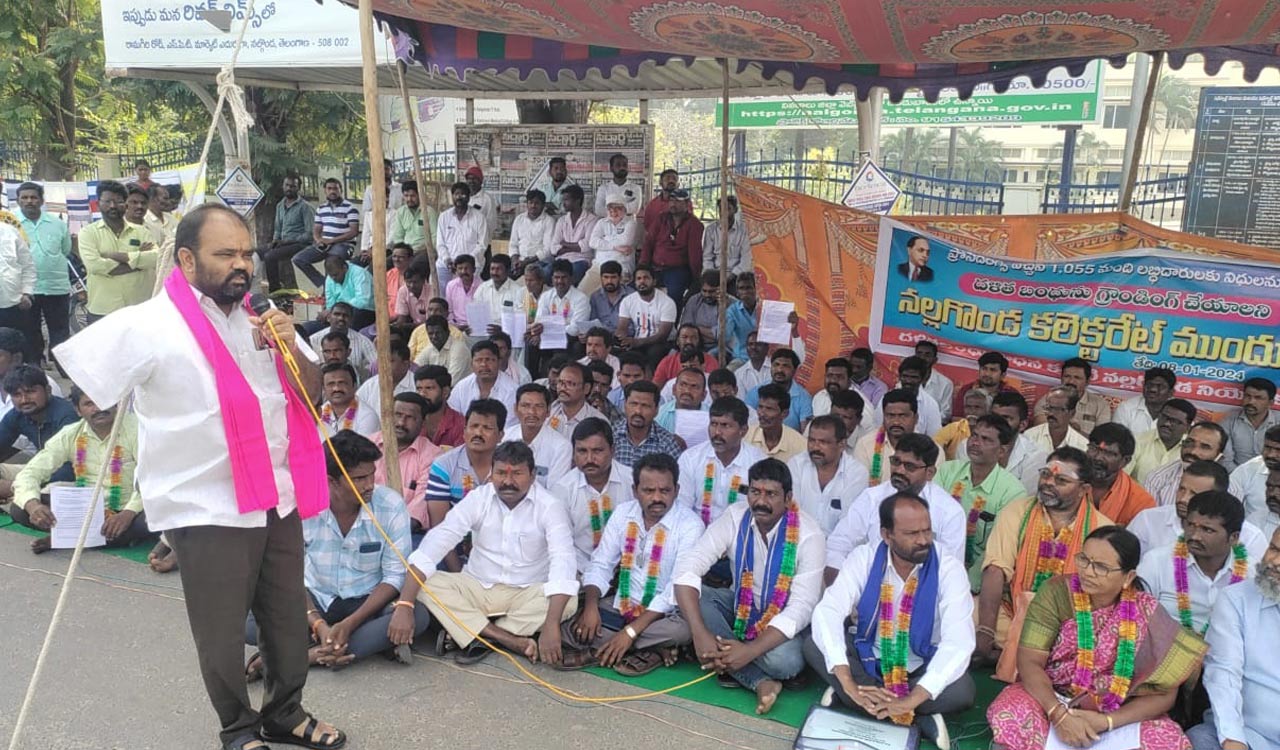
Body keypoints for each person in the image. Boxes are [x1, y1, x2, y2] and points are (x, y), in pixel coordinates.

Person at [54, 203, 346, 750]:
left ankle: (286, 713)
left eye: (247, 254)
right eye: (226, 254)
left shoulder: (263, 317)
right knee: (221, 631)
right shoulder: (150, 324)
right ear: (186, 259)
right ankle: (238, 729)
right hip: (206, 505)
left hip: (277, 498)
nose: (242, 265)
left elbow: (313, 395)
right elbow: (86, 383)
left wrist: (287, 343)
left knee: (286, 618)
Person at [987, 527, 1206, 750]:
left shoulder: (1147, 612)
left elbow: (1164, 694)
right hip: (1052, 700)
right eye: (1084, 560)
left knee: (1168, 740)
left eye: (1101, 567)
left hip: (1118, 713)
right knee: (1012, 712)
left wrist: (1107, 722)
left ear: (1128, 577)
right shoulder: (1056, 593)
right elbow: (1030, 662)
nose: (1088, 572)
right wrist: (1059, 716)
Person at [245, 430, 429, 674]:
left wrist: (349, 624)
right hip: (313, 600)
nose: (370, 485)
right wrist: (318, 623)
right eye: (360, 478)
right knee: (249, 618)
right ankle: (342, 646)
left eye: (372, 475)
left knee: (417, 614)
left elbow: (394, 576)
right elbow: (286, 573)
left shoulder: (390, 505)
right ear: (332, 480)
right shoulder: (301, 504)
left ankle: (299, 656)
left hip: (366, 603)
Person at [808, 493, 976, 744]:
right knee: (812, 646)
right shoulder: (864, 558)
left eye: (927, 531)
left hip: (921, 664)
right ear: (887, 535)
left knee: (963, 690)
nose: (923, 540)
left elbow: (959, 640)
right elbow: (829, 610)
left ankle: (856, 701)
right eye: (912, 534)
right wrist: (846, 678)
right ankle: (915, 716)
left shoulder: (948, 568)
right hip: (869, 658)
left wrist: (913, 697)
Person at [398, 440, 579, 665]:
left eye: (518, 474)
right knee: (423, 582)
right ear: (492, 473)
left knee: (568, 599)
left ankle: (474, 633)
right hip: (477, 587)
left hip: (526, 592)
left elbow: (563, 560)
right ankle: (506, 638)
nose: (508, 481)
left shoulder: (550, 506)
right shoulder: (478, 498)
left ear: (533, 476)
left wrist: (551, 626)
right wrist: (405, 604)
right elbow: (439, 539)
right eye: (501, 473)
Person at [673, 458, 826, 714]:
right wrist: (700, 635)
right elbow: (688, 567)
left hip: (785, 626)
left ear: (788, 498)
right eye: (755, 492)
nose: (761, 502)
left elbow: (802, 608)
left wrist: (751, 650)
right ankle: (759, 680)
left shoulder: (809, 535)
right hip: (741, 609)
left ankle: (736, 661)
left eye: (771, 494)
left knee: (784, 661)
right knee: (696, 598)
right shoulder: (734, 517)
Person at [559, 452, 702, 674]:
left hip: (664, 615)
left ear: (677, 490)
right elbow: (601, 563)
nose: (657, 498)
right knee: (570, 627)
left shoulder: (690, 526)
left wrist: (631, 633)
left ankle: (605, 649)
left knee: (682, 631)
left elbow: (675, 589)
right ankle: (653, 651)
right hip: (621, 605)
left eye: (665, 491)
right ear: (635, 490)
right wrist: (590, 607)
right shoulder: (623, 513)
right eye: (648, 490)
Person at [974, 447, 1111, 670]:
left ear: (1083, 490)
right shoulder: (1016, 511)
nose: (1048, 483)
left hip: (1069, 623)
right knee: (969, 613)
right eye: (1045, 474)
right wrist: (986, 631)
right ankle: (1038, 658)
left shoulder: (1102, 529)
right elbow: (995, 570)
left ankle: (1011, 655)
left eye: (1061, 480)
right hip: (1012, 612)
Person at [10, 386, 149, 554]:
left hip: (129, 509)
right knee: (20, 509)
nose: (98, 408)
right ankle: (98, 538)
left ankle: (68, 539)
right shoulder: (71, 434)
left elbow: (150, 477)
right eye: (89, 404)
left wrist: (128, 513)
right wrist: (33, 506)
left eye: (102, 401)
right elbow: (30, 473)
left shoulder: (137, 429)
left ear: (116, 403)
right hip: (86, 509)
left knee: (148, 520)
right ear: (78, 410)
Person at [1190, 526, 1280, 750]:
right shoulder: (1236, 599)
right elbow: (1223, 673)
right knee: (1199, 739)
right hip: (1248, 734)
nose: (1275, 561)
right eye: (1274, 548)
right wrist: (1233, 740)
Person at [826, 433, 966, 576]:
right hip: (869, 583)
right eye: (896, 461)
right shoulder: (871, 498)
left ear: (929, 473)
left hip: (924, 588)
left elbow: (950, 569)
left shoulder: (949, 511)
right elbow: (839, 544)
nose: (899, 470)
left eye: (909, 466)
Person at [1138, 490, 1263, 636]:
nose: (1195, 536)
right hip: (1163, 651)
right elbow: (1134, 618)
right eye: (1191, 525)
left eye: (1207, 530)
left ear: (1233, 537)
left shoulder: (1252, 574)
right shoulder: (1157, 562)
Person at [934, 414, 1029, 589]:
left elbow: (996, 548)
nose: (975, 443)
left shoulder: (1012, 492)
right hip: (935, 564)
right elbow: (930, 520)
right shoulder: (947, 471)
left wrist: (964, 584)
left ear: (1002, 451)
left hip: (975, 579)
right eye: (974, 436)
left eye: (986, 439)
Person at [1128, 461, 1267, 555]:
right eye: (1181, 489)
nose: (1183, 499)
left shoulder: (1250, 538)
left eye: (1194, 494)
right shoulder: (1147, 520)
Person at [552, 417, 635, 571]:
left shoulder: (632, 482)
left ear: (613, 450)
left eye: (597, 451)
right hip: (579, 569)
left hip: (628, 568)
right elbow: (563, 543)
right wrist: (591, 573)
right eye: (582, 451)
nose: (589, 459)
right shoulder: (563, 489)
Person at [418, 399, 505, 542]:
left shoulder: (510, 466)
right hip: (454, 545)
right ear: (464, 431)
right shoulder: (444, 465)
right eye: (473, 426)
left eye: (487, 428)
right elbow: (439, 529)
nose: (478, 433)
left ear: (501, 435)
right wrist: (456, 565)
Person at [676, 397, 765, 526]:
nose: (717, 432)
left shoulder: (759, 463)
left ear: (743, 430)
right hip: (697, 535)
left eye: (725, 425)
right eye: (713, 424)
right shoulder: (690, 459)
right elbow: (682, 508)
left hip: (742, 537)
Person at [0, 364, 79, 506]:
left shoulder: (66, 416)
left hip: (70, 477)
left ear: (47, 390)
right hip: (37, 472)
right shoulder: (17, 415)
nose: (24, 400)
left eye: (30, 392)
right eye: (17, 395)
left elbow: (70, 469)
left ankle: (17, 496)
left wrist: (16, 486)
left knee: (49, 494)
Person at [79, 180, 157, 321]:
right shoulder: (87, 233)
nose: (113, 206)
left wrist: (116, 256)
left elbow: (155, 258)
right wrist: (139, 264)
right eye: (107, 201)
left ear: (126, 205)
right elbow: (95, 266)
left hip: (139, 307)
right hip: (103, 309)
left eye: (118, 201)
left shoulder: (141, 232)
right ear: (97, 204)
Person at [15, 182, 72, 365]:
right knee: (30, 329)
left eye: (33, 197)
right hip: (26, 289)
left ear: (41, 200)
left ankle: (63, 367)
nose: (29, 201)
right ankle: (35, 365)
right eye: (24, 197)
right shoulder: (10, 224)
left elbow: (65, 249)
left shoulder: (57, 223)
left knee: (60, 330)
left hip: (56, 286)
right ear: (18, 201)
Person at [786, 415, 868, 534]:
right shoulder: (796, 465)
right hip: (799, 541)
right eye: (812, 440)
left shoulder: (857, 473)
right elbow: (793, 513)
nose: (815, 447)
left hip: (839, 547)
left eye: (823, 442)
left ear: (842, 444)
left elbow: (848, 526)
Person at [957, 391, 1048, 494]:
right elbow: (962, 488)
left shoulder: (1036, 455)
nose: (997, 423)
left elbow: (1024, 498)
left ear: (1022, 425)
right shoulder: (968, 446)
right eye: (994, 416)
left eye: (1006, 418)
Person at [370, 392, 442, 517]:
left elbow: (420, 503)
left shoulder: (432, 455)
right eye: (397, 415)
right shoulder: (368, 444)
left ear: (423, 422)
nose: (401, 423)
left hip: (408, 529)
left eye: (410, 417)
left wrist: (395, 528)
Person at [853, 389, 944, 485]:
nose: (896, 422)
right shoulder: (865, 445)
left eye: (903, 416)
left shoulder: (932, 450)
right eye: (890, 416)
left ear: (916, 418)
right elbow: (860, 486)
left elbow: (931, 490)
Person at [1143, 420, 1229, 509]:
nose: (1193, 451)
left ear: (1219, 457)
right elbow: (1149, 519)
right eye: (1190, 442)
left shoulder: (1231, 489)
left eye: (1204, 447)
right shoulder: (1157, 478)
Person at [293, 177, 359, 289]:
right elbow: (316, 229)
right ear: (325, 191)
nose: (332, 191)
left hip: (344, 245)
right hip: (326, 244)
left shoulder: (350, 208)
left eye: (335, 189)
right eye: (329, 188)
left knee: (331, 261)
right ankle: (325, 283)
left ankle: (329, 291)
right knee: (299, 259)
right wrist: (319, 240)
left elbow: (354, 232)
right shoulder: (321, 209)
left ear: (341, 190)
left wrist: (332, 240)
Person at [503, 383, 572, 488]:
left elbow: (555, 492)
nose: (532, 412)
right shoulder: (504, 438)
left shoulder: (561, 447)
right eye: (525, 406)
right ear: (516, 409)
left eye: (539, 406)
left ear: (548, 411)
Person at [642, 189, 703, 305]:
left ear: (687, 204)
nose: (673, 204)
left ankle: (672, 322)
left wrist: (696, 277)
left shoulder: (694, 224)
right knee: (636, 287)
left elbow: (694, 253)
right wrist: (643, 265)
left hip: (677, 269)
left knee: (674, 295)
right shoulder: (661, 218)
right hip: (655, 267)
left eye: (678, 201)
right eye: (671, 200)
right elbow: (648, 242)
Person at [1088, 422, 1156, 526]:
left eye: (1108, 453)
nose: (1098, 457)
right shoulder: (1069, 480)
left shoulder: (1141, 502)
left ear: (1125, 461)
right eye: (1094, 448)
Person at [616, 264, 677, 372]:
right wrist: (621, 339)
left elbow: (662, 335)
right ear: (634, 282)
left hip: (661, 343)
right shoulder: (628, 300)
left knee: (654, 352)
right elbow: (622, 327)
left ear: (654, 281)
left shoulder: (667, 302)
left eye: (646, 278)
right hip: (637, 342)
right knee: (622, 354)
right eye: (638, 279)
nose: (642, 281)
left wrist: (637, 342)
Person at [1033, 357, 1112, 436]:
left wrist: (1070, 431)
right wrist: (1072, 430)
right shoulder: (1049, 398)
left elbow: (1101, 438)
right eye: (1067, 376)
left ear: (1087, 382)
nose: (1071, 381)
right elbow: (1040, 426)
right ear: (1061, 378)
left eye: (1077, 378)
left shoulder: (1101, 405)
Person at [262, 174, 316, 291]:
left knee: (270, 256)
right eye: (287, 185)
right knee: (257, 253)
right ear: (283, 186)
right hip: (283, 243)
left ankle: (275, 290)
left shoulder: (305, 207)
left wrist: (288, 241)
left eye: (293, 186)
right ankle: (251, 290)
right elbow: (277, 228)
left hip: (301, 244)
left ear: (298, 188)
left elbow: (310, 234)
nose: (289, 188)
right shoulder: (280, 206)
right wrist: (275, 241)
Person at [448, 341, 518, 427]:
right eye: (478, 360)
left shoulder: (512, 390)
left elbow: (508, 427)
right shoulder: (461, 387)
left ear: (498, 362)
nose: (484, 365)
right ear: (471, 364)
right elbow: (453, 419)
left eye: (488, 360)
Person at [613, 381, 683, 467]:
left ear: (656, 410)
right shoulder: (611, 436)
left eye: (645, 406)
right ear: (625, 405)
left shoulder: (667, 443)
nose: (638, 411)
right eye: (633, 404)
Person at [1129, 398, 1197, 484]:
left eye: (1174, 421)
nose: (1166, 424)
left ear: (1188, 427)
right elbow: (1121, 478)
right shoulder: (1137, 441)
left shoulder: (1192, 452)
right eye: (1164, 417)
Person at [745, 348, 812, 432]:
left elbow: (805, 432)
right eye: (776, 364)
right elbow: (746, 423)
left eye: (785, 366)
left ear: (795, 370)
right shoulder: (756, 392)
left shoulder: (804, 397)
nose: (779, 370)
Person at [435, 182, 487, 289]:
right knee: (444, 300)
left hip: (471, 265)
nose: (459, 197)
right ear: (452, 196)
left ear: (468, 198)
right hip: (447, 265)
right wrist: (448, 260)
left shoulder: (479, 217)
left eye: (463, 194)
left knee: (470, 298)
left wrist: (466, 263)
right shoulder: (444, 217)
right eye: (456, 194)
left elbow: (482, 245)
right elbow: (440, 244)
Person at [532, 259, 591, 354]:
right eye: (556, 277)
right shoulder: (546, 296)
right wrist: (541, 331)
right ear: (551, 279)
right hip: (548, 336)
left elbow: (575, 329)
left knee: (567, 343)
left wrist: (551, 329)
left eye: (564, 277)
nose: (560, 281)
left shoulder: (581, 299)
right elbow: (540, 321)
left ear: (572, 278)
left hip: (569, 338)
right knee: (531, 342)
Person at [1221, 377, 1280, 471]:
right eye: (1247, 396)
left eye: (1258, 398)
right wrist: (1241, 478)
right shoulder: (1229, 420)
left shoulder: (1278, 422)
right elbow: (1226, 460)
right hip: (1236, 476)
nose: (1251, 402)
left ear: (1270, 403)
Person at [875, 355, 943, 436]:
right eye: (905, 376)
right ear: (899, 376)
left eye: (914, 377)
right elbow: (877, 431)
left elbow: (934, 438)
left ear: (923, 379)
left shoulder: (930, 405)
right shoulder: (886, 399)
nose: (908, 381)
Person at [308, 302, 377, 379]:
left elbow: (376, 365)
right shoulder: (314, 339)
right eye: (337, 314)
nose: (341, 318)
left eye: (345, 315)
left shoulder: (363, 341)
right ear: (329, 318)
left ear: (351, 320)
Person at [1228, 424, 1280, 520]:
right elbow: (1227, 506)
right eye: (1267, 447)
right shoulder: (1249, 470)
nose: (1271, 455)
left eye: (1278, 450)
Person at [353, 341, 415, 420]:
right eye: (381, 360)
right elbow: (353, 408)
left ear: (405, 364)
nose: (383, 365)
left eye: (390, 361)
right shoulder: (370, 384)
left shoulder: (417, 385)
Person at [548, 185, 597, 283]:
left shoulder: (591, 219)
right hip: (561, 260)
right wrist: (576, 246)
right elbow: (553, 248)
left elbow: (587, 245)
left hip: (581, 260)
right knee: (544, 273)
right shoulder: (562, 220)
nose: (563, 204)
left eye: (566, 200)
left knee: (570, 277)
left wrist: (565, 244)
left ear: (577, 201)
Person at [746, 383, 807, 462]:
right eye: (760, 407)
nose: (762, 413)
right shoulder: (745, 437)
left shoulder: (800, 445)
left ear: (784, 413)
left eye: (769, 409)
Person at [318, 363, 380, 437]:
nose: (336, 388)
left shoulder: (367, 416)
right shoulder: (318, 413)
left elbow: (362, 448)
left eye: (342, 383)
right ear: (324, 389)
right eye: (331, 384)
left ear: (354, 386)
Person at [677, 270, 731, 356]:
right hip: (695, 343)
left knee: (711, 355)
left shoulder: (731, 304)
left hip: (721, 347)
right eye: (704, 291)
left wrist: (696, 328)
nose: (707, 295)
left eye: (711, 291)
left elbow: (722, 335)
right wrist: (710, 333)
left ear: (721, 288)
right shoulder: (694, 300)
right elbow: (686, 328)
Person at [547, 361, 606, 438]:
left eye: (570, 383)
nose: (563, 388)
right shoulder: (548, 413)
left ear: (586, 388)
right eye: (560, 382)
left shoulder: (598, 421)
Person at [950, 351, 1017, 419]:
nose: (987, 374)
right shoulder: (967, 389)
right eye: (984, 369)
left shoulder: (1011, 393)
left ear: (1003, 375)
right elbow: (956, 418)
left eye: (993, 370)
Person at [321, 249, 375, 330]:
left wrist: (338, 309)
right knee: (310, 327)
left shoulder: (360, 274)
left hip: (364, 312)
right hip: (339, 312)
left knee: (352, 316)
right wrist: (327, 312)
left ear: (345, 268)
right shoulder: (330, 278)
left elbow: (363, 302)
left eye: (336, 275)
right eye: (331, 275)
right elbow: (330, 303)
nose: (333, 278)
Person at [1114, 367, 1178, 437]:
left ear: (1171, 392)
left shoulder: (1178, 414)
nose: (1153, 389)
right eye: (1149, 385)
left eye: (1160, 386)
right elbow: (1117, 440)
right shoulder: (1126, 408)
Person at [1023, 387, 1089, 453]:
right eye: (1049, 408)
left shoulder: (1082, 446)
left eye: (1058, 409)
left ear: (1072, 413)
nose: (1051, 413)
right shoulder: (1029, 436)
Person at [414, 365, 465, 449]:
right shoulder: (411, 421)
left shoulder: (460, 424)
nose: (422, 394)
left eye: (429, 388)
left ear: (445, 392)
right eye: (419, 389)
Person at [412, 314, 471, 386]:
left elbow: (451, 382)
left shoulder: (459, 349)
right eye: (430, 333)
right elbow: (414, 370)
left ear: (447, 332)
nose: (434, 337)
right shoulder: (429, 349)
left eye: (438, 333)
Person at [654, 324, 718, 387]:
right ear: (677, 341)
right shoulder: (667, 362)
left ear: (699, 341)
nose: (689, 341)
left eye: (693, 338)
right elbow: (656, 388)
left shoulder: (710, 361)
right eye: (684, 337)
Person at [701, 195, 752, 276]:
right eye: (721, 209)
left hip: (737, 275)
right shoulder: (711, 230)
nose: (723, 212)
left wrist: (732, 275)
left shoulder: (744, 231)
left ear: (735, 210)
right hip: (715, 273)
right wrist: (713, 275)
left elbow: (746, 260)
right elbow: (707, 257)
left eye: (728, 209)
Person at [935, 389, 991, 460]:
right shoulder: (954, 428)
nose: (972, 411)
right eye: (968, 407)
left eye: (977, 407)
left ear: (987, 410)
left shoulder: (992, 432)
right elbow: (934, 446)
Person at [509, 190, 557, 274]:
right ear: (527, 204)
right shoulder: (519, 219)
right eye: (530, 202)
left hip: (539, 262)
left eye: (537, 203)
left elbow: (547, 250)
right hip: (520, 260)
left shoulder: (549, 221)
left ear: (543, 205)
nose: (533, 206)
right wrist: (515, 261)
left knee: (541, 273)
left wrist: (526, 263)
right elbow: (513, 244)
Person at [589, 197, 638, 277]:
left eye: (618, 208)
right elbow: (592, 242)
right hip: (598, 266)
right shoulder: (601, 222)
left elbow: (625, 242)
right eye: (610, 208)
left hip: (621, 266)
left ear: (625, 210)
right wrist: (616, 248)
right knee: (583, 289)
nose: (613, 211)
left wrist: (604, 239)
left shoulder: (631, 223)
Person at [656, 365, 710, 433]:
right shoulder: (659, 414)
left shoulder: (712, 416)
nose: (687, 390)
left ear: (704, 395)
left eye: (694, 386)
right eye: (683, 385)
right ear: (674, 389)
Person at [389, 180, 436, 255]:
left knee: (413, 265)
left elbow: (435, 236)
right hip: (405, 253)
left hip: (424, 252)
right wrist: (403, 252)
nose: (409, 199)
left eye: (412, 196)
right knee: (384, 263)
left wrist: (429, 250)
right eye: (406, 196)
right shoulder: (401, 212)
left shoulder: (429, 212)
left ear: (419, 195)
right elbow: (398, 237)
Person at [912, 340, 955, 422]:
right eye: (919, 353)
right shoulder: (906, 379)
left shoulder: (945, 383)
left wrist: (924, 423)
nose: (922, 358)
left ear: (935, 360)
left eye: (927, 355)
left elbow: (946, 414)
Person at [588, 261, 632, 337]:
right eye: (606, 277)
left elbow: (634, 326)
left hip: (624, 338)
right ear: (601, 278)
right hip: (602, 339)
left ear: (620, 278)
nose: (609, 281)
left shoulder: (631, 295)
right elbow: (593, 323)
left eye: (613, 277)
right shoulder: (595, 297)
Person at [724, 271, 760, 364]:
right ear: (737, 292)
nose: (745, 292)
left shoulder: (765, 307)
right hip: (742, 358)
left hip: (765, 358)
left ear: (756, 289)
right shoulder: (732, 310)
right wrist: (722, 312)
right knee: (729, 374)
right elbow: (725, 337)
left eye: (748, 288)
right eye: (741, 288)